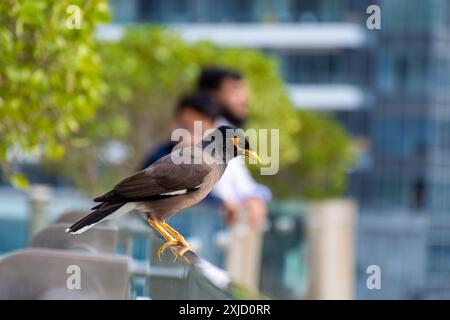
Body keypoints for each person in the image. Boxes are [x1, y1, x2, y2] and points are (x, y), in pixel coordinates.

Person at [197, 67, 271, 230]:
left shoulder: (227, 132)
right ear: (213, 95)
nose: (245, 98)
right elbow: (221, 192)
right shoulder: (206, 135)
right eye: (235, 89)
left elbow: (244, 188)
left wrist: (255, 197)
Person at [140, 91, 218, 169]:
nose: (190, 139)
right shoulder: (158, 159)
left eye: (199, 132)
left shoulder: (220, 164)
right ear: (173, 123)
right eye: (184, 128)